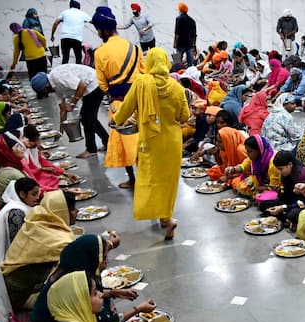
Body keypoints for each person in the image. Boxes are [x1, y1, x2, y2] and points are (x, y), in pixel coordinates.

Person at [114, 48, 190, 241]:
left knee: (150, 177)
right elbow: (184, 116)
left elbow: (124, 111)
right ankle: (166, 217)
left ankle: (163, 216)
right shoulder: (176, 87)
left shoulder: (141, 83)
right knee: (169, 181)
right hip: (172, 141)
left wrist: (116, 119)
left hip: (150, 140)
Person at [92, 6, 145, 189]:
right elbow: (144, 73)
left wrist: (114, 90)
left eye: (98, 30)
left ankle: (133, 179)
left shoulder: (99, 53)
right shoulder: (135, 48)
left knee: (124, 140)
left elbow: (102, 84)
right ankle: (146, 177)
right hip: (139, 101)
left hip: (118, 103)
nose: (98, 33)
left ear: (104, 29)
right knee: (141, 139)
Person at [1, 189, 76, 310]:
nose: (76, 212)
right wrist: (108, 245)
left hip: (9, 288)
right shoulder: (59, 241)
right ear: (61, 212)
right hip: (21, 297)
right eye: (72, 209)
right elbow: (79, 258)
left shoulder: (36, 220)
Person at [29, 64, 109, 159]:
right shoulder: (55, 86)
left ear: (46, 85)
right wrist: (60, 131)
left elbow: (82, 86)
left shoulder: (58, 78)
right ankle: (107, 142)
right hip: (90, 87)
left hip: (95, 84)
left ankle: (91, 149)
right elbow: (63, 110)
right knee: (90, 118)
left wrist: (72, 104)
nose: (46, 94)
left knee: (86, 118)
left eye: (44, 91)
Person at [260, 151, 305, 230]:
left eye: (281, 169)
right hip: (292, 202)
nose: (279, 172)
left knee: (292, 215)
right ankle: (286, 219)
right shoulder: (286, 174)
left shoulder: (302, 175)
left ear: (290, 164)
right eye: (278, 169)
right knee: (263, 205)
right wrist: (280, 192)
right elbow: (287, 195)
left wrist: (283, 207)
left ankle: (287, 218)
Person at [0, 178, 39, 263]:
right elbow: (18, 243)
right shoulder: (16, 212)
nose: (37, 198)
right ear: (22, 194)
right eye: (34, 194)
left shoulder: (18, 206)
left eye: (38, 194)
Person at [50, 1, 90, 65]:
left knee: (65, 58)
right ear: (79, 7)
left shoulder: (64, 12)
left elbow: (55, 23)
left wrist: (52, 35)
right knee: (78, 59)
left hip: (65, 38)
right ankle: (78, 74)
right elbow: (93, 21)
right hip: (77, 38)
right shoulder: (83, 14)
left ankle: (63, 74)